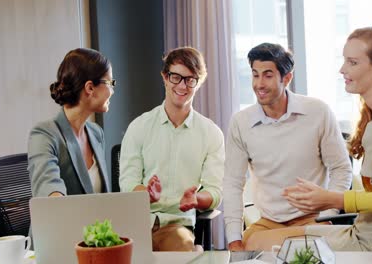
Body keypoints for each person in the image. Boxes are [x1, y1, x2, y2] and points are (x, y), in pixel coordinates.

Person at [247, 27, 372, 251]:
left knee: (262, 246)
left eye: (353, 62)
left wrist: (333, 199)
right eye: (344, 61)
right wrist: (327, 198)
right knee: (254, 240)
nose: (342, 69)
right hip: (361, 231)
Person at [223, 43, 352, 251]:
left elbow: (341, 168)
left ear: (287, 78)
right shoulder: (241, 122)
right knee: (250, 247)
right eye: (255, 75)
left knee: (261, 246)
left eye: (267, 75)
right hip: (268, 222)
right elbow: (232, 183)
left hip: (312, 220)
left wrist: (327, 218)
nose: (259, 84)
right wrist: (234, 239)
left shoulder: (318, 112)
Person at [119, 47, 224, 251]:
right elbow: (128, 183)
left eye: (190, 79)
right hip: (136, 224)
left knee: (181, 248)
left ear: (198, 82)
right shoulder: (139, 127)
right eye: (176, 77)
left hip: (177, 226)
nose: (182, 86)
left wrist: (196, 200)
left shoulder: (211, 133)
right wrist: (146, 194)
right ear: (165, 77)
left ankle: (194, 252)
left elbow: (215, 191)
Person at [28, 48, 114, 197]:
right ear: (90, 88)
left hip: (96, 220)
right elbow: (49, 192)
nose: (112, 91)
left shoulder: (96, 133)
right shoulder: (44, 135)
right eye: (109, 83)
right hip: (63, 220)